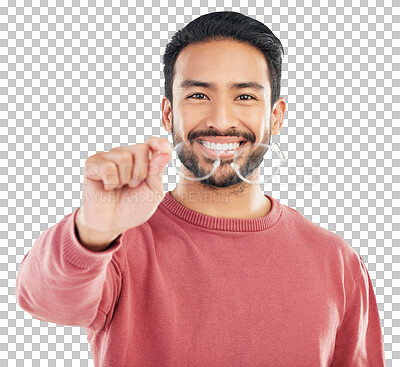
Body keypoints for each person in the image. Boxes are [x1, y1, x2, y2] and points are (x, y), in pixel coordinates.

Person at [15, 11, 385, 366]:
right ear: (167, 113)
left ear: (276, 116)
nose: (221, 120)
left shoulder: (338, 262)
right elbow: (46, 302)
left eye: (244, 96)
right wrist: (93, 230)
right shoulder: (117, 243)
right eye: (198, 95)